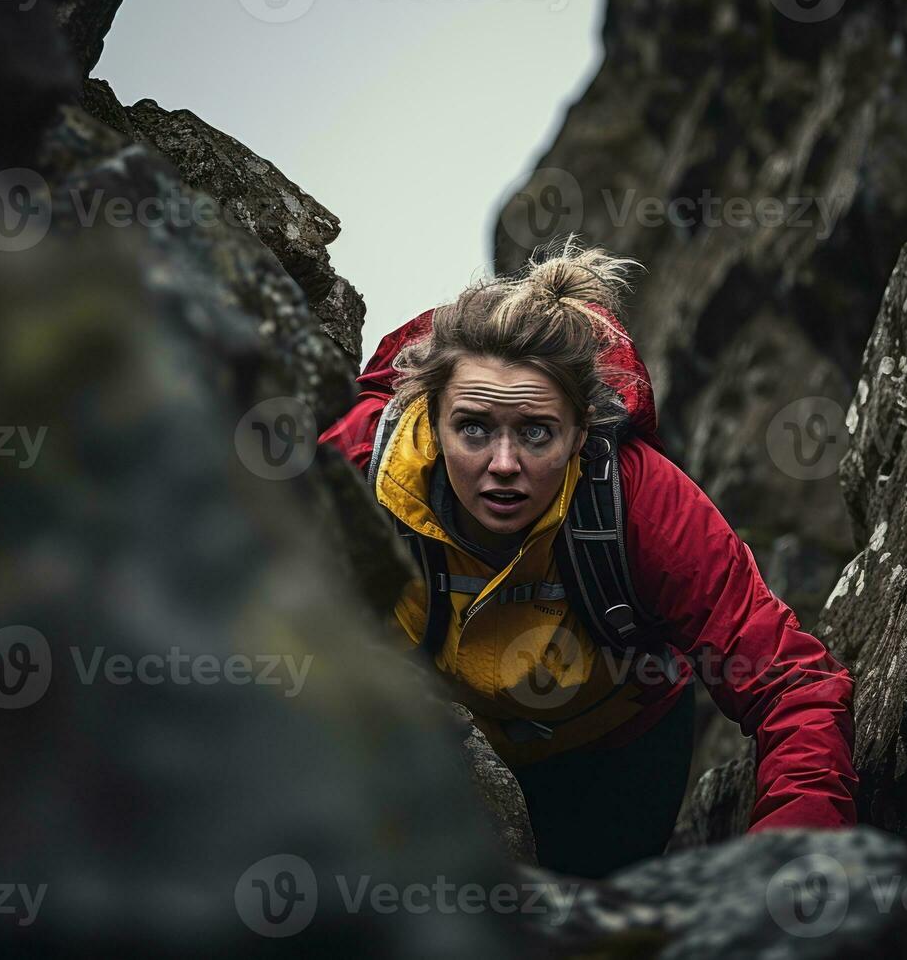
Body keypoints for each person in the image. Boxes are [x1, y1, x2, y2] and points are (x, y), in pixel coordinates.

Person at [318, 239, 858, 878]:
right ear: (431, 421)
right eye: (473, 429)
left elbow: (791, 683)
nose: (503, 465)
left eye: (537, 433)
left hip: (615, 762)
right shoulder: (359, 468)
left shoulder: (640, 502)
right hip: (432, 744)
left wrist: (790, 868)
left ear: (582, 430)